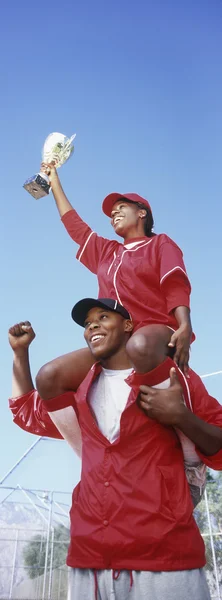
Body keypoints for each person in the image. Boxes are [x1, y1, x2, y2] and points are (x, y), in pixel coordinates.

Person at [8, 298, 222, 600]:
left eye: (103, 316)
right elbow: (26, 413)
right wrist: (20, 352)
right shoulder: (80, 393)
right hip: (91, 559)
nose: (92, 325)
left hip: (164, 559)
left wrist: (181, 417)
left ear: (128, 326)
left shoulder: (175, 378)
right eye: (87, 323)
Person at [35, 164, 193, 415]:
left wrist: (184, 326)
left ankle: (182, 431)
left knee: (138, 345)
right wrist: (54, 183)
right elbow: (75, 227)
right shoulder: (107, 252)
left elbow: (175, 284)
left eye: (121, 208)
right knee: (49, 376)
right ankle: (91, 450)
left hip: (155, 333)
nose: (114, 214)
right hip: (116, 338)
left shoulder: (161, 243)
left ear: (142, 212)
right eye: (111, 213)